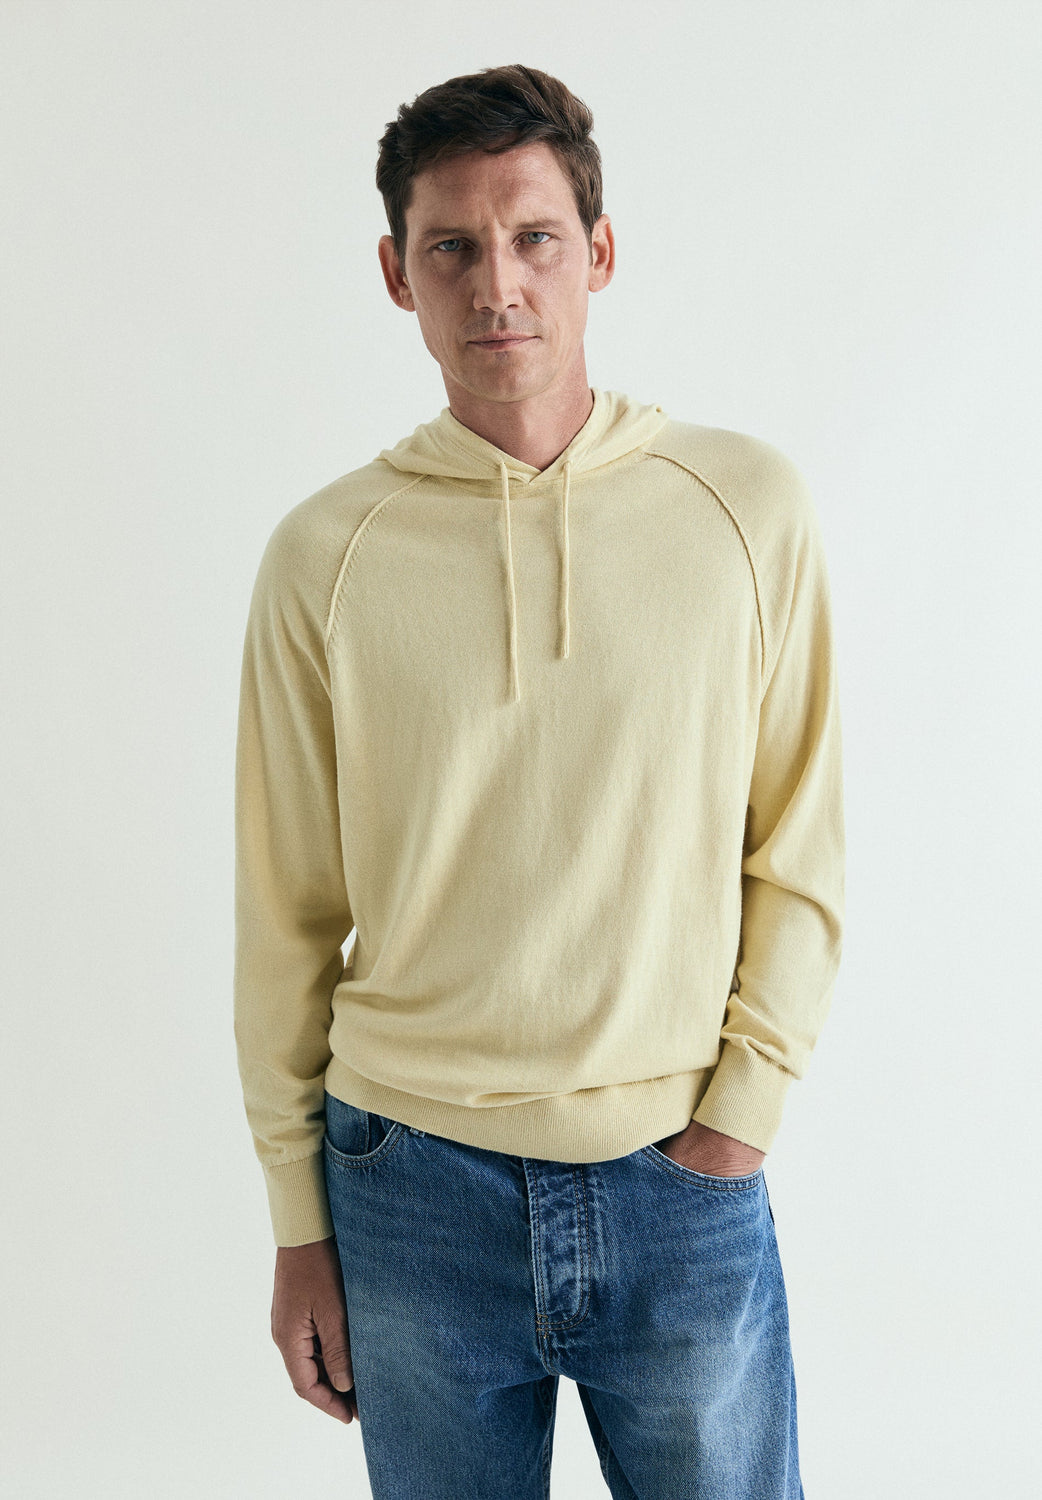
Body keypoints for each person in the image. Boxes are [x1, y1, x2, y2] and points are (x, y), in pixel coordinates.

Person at [234, 62, 845, 1500]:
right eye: (451, 246)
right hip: (406, 1185)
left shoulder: (743, 509)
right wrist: (299, 1222)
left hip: (677, 1170)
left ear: (600, 252)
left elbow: (799, 848)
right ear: (397, 274)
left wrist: (736, 1123)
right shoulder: (325, 556)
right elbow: (285, 913)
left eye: (533, 238)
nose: (495, 284)